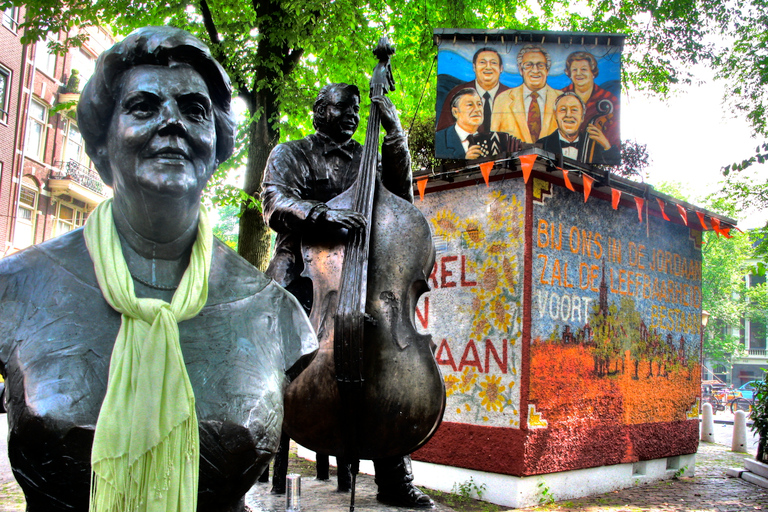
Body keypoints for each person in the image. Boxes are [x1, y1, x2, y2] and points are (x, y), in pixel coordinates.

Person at [0, 26, 316, 512]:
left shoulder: (275, 311)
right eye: (144, 106)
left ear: (217, 148)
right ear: (101, 145)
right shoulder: (15, 287)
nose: (173, 122)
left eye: (195, 111)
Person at [261, 82, 434, 508]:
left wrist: (394, 136)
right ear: (320, 110)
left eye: (359, 108)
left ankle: (394, 479)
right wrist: (321, 215)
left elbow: (401, 195)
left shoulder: (364, 157)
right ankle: (253, 454)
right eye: (344, 106)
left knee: (381, 358)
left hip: (357, 279)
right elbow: (273, 203)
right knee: (274, 353)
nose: (354, 113)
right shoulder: (291, 153)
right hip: (303, 274)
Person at [491, 45, 561, 143]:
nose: (535, 70)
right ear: (520, 69)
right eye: (529, 65)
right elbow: (494, 140)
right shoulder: (503, 100)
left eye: (540, 65)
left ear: (547, 70)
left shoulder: (562, 99)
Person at [436, 47, 510, 132]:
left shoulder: (513, 96)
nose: (488, 67)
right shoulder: (457, 93)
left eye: (493, 63)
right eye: (482, 62)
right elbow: (443, 134)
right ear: (474, 67)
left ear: (501, 68)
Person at [536, 92, 619, 164]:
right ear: (555, 115)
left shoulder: (595, 147)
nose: (568, 115)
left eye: (574, 110)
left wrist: (606, 146)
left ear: (582, 117)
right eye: (563, 109)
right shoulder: (541, 144)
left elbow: (612, 163)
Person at [435, 88, 518, 159]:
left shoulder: (492, 139)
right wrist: (465, 159)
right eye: (470, 105)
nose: (477, 109)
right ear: (455, 112)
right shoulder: (439, 140)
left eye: (479, 104)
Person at [562, 51, 620, 150]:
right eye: (574, 70)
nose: (579, 73)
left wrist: (605, 143)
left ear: (593, 73)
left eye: (584, 69)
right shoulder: (559, 97)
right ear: (569, 74)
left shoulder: (610, 99)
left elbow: (614, 144)